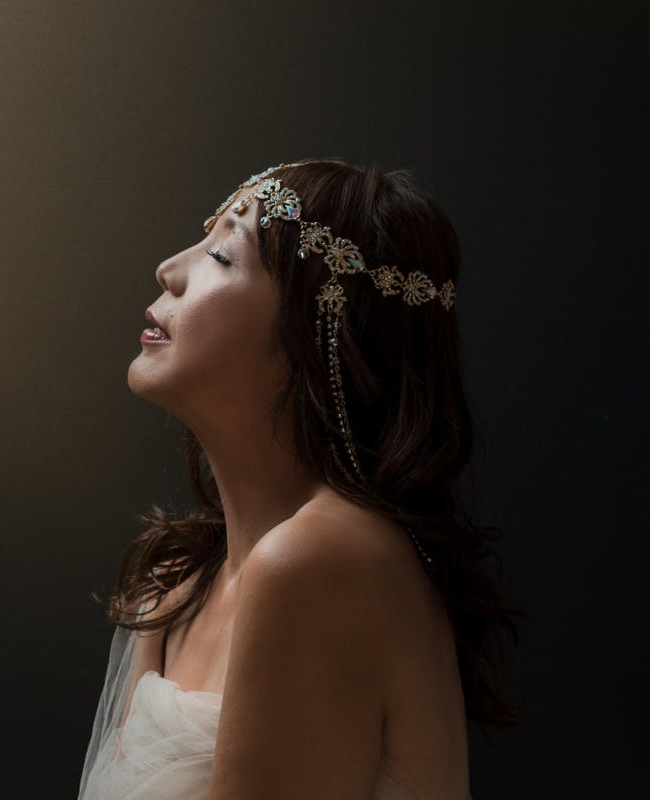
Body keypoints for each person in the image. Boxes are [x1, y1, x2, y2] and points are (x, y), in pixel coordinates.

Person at [78, 160, 524, 799]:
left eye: (222, 255)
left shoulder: (315, 562)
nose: (169, 270)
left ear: (317, 328)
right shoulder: (177, 589)